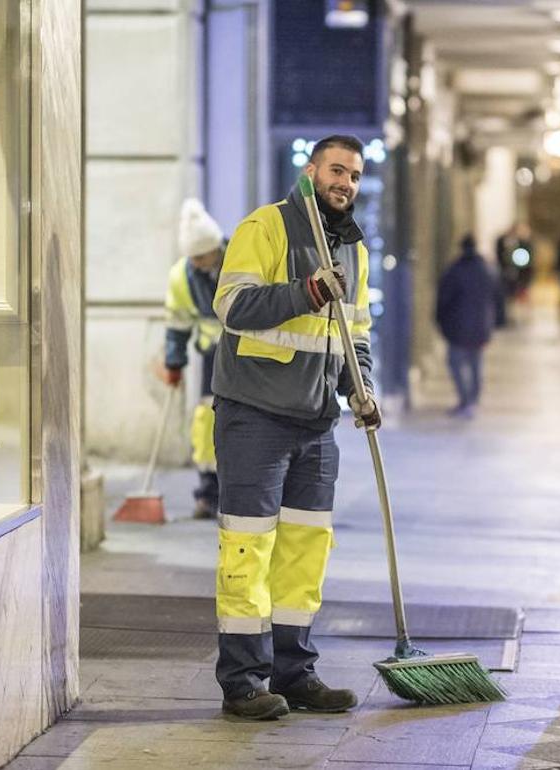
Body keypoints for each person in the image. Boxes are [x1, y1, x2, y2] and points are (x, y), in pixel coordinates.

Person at [210, 135, 378, 720]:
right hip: (254, 416)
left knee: (304, 553)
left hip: (316, 422)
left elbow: (355, 335)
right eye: (337, 170)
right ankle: (243, 683)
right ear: (311, 171)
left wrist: (361, 390)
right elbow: (232, 306)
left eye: (354, 175)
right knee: (248, 549)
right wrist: (306, 291)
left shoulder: (353, 249)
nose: (345, 183)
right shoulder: (268, 226)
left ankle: (295, 673)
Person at [163, 198, 225, 519]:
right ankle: (208, 491)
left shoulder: (241, 259)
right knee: (207, 420)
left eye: (202, 256)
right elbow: (177, 323)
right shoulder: (182, 276)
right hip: (212, 355)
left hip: (249, 355)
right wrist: (174, 363)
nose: (198, 263)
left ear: (216, 248)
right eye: (193, 258)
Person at [436, 235, 497, 418]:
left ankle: (466, 400)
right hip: (481, 327)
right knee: (476, 364)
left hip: (458, 328)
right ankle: (472, 400)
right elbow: (496, 297)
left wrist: (442, 322)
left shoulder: (455, 270)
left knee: (455, 363)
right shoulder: (486, 270)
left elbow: (444, 300)